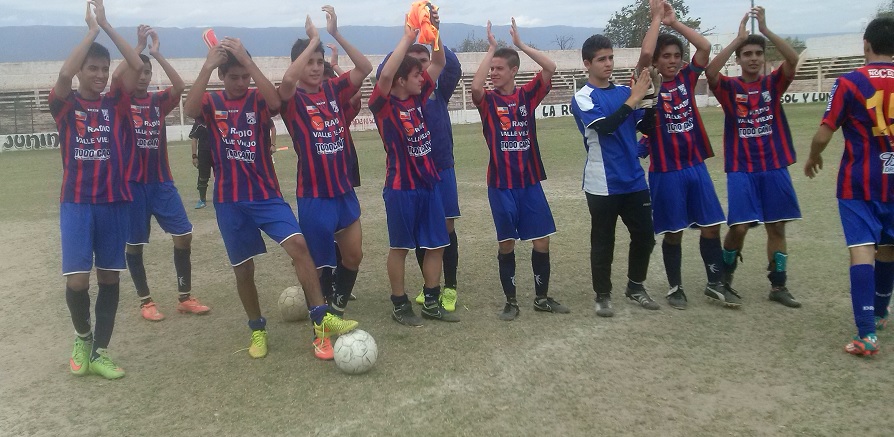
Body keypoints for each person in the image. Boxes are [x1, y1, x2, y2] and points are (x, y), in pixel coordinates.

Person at [183, 34, 358, 359]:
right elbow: (190, 108)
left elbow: (277, 103)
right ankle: (257, 328)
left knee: (300, 247)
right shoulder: (211, 102)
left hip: (266, 196)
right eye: (233, 77)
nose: (240, 82)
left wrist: (248, 62)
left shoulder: (258, 99)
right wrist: (207, 67)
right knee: (244, 270)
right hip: (230, 201)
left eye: (244, 76)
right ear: (222, 76)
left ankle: (321, 324)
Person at [52, 0, 144, 379]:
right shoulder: (64, 105)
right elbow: (63, 73)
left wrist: (106, 25)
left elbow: (135, 65)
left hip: (113, 202)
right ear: (81, 71)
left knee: (109, 278)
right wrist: (91, 31)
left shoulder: (116, 103)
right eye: (93, 68)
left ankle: (100, 352)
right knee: (77, 280)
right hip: (77, 203)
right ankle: (83, 337)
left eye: (105, 69)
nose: (101, 75)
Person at [278, 7, 371, 359]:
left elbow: (364, 68)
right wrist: (312, 40)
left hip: (343, 192)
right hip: (314, 196)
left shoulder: (333, 89)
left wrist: (335, 34)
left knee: (353, 255)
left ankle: (336, 313)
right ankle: (320, 332)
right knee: (320, 269)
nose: (316, 67)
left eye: (319, 61)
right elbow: (287, 83)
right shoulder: (292, 100)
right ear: (298, 64)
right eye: (309, 62)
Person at [804, 17, 894, 356]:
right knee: (889, 247)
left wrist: (813, 156)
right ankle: (880, 312)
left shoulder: (849, 82)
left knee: (862, 249)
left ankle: (867, 334)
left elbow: (824, 132)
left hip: (859, 182)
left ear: (866, 45)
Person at [705, 7, 802, 308]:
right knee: (740, 227)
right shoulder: (730, 88)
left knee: (777, 226)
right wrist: (738, 39)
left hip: (774, 166)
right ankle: (724, 278)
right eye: (747, 54)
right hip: (742, 168)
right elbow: (710, 73)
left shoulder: (773, 83)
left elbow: (793, 60)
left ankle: (778, 284)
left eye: (758, 53)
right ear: (738, 59)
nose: (753, 58)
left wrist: (767, 30)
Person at [472, 19, 569, 321]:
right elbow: (475, 87)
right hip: (501, 185)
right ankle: (511, 301)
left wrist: (521, 45)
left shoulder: (526, 96)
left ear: (514, 70)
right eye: (492, 68)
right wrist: (491, 49)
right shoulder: (488, 101)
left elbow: (550, 67)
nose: (493, 73)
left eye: (499, 68)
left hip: (529, 183)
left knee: (542, 241)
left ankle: (541, 298)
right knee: (506, 244)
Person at [641, 2, 732, 309]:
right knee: (674, 232)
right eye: (666, 56)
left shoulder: (687, 78)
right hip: (666, 171)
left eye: (676, 55)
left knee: (711, 225)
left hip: (695, 166)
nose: (672, 61)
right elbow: (644, 55)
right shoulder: (648, 85)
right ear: (657, 60)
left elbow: (704, 47)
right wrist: (656, 21)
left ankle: (715, 282)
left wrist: (674, 23)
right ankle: (675, 287)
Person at [570, 10, 659, 319]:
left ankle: (635, 286)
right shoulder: (583, 97)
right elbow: (606, 127)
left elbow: (646, 127)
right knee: (603, 241)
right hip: (602, 182)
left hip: (633, 178)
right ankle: (602, 295)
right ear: (587, 63)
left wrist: (651, 99)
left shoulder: (624, 91)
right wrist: (635, 98)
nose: (608, 63)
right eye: (601, 59)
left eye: (610, 58)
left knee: (645, 235)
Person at [371, 11, 457, 326]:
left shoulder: (419, 100)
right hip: (401, 188)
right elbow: (384, 77)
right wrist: (408, 35)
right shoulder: (384, 106)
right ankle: (399, 304)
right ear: (401, 80)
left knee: (437, 244)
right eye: (416, 75)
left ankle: (431, 301)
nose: (423, 78)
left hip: (429, 185)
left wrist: (432, 31)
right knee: (400, 248)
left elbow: (440, 61)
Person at [120, 25, 210, 321]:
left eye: (147, 72)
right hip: (132, 184)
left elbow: (179, 85)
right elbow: (118, 79)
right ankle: (145, 301)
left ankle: (185, 297)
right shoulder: (120, 102)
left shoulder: (157, 101)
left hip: (161, 182)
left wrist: (156, 53)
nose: (142, 76)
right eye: (138, 71)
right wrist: (136, 48)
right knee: (135, 244)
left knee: (183, 235)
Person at [189, 119, 211, 208]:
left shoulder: (218, 120)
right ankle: (202, 199)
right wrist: (194, 156)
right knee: (203, 177)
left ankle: (223, 198)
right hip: (204, 153)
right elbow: (194, 139)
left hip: (218, 153)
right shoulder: (199, 123)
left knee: (221, 176)